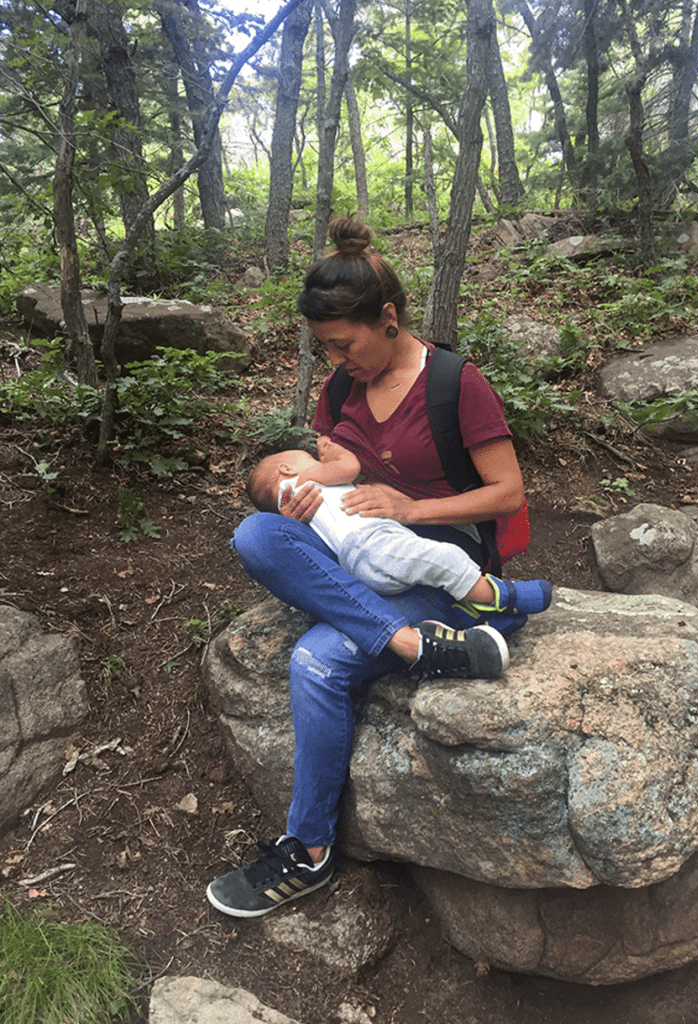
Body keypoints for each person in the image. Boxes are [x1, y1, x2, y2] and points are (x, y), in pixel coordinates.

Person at [206, 216, 536, 920]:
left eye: (342, 344)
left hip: (440, 564)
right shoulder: (340, 393)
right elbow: (334, 480)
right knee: (256, 534)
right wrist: (305, 504)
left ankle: (308, 850)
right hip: (363, 559)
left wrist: (411, 508)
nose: (335, 360)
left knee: (316, 662)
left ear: (387, 319)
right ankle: (410, 645)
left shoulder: (454, 383)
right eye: (323, 348)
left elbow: (507, 494)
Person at [247, 436, 552, 631]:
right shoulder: (305, 478)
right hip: (371, 544)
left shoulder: (299, 506)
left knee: (428, 569)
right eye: (305, 454)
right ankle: (500, 595)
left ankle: (476, 616)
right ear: (287, 468)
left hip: (366, 554)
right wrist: (333, 451)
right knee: (444, 558)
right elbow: (350, 466)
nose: (313, 456)